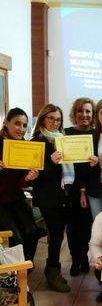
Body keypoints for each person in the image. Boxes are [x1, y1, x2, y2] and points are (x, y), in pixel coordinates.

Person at [32, 104, 97, 292]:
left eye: (58, 119)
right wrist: (51, 163)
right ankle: (52, 272)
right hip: (47, 198)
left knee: (63, 233)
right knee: (57, 234)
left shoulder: (63, 139)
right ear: (43, 119)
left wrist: (90, 162)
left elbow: (75, 169)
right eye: (50, 118)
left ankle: (53, 269)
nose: (54, 122)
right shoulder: (37, 140)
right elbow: (35, 174)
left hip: (65, 195)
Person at [0, 108, 39, 261]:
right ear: (6, 123)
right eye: (17, 124)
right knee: (15, 236)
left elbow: (22, 181)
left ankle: (24, 269)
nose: (21, 129)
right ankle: (14, 275)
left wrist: (29, 177)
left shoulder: (25, 147)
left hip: (15, 197)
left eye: (24, 125)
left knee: (32, 231)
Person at [65, 97, 95, 276]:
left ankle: (84, 256)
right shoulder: (65, 133)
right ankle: (75, 259)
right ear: (74, 113)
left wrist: (84, 189)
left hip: (89, 188)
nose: (84, 115)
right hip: (69, 189)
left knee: (86, 227)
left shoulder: (96, 135)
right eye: (80, 111)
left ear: (92, 114)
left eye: (88, 111)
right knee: (72, 226)